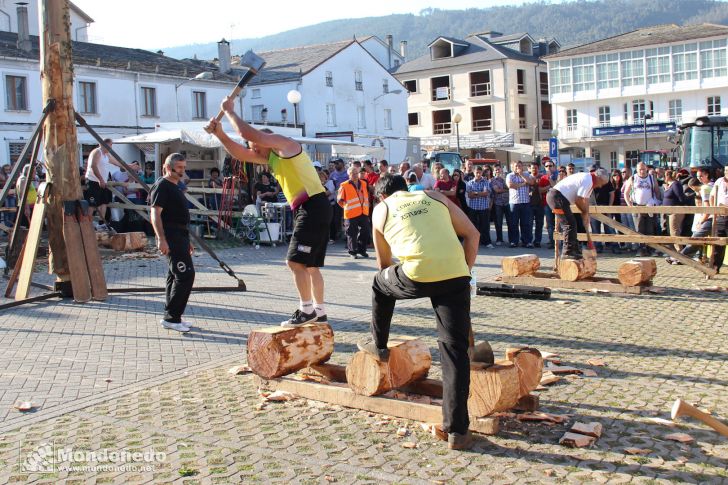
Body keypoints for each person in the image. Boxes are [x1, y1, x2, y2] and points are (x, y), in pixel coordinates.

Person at [357, 174, 480, 450]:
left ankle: (378, 345)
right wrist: (464, 274)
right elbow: (473, 234)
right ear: (406, 188)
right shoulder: (435, 195)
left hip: (415, 275)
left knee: (379, 283)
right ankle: (458, 431)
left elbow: (383, 264)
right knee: (454, 352)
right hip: (455, 273)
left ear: (381, 196)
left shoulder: (382, 209)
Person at [208, 97, 332, 326]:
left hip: (313, 206)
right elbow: (241, 154)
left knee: (294, 262)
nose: (252, 149)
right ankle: (320, 312)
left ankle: (306, 311)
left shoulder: (285, 145)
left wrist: (230, 111)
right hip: (313, 206)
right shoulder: (271, 157)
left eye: (256, 145)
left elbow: (249, 135)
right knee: (311, 266)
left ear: (266, 140)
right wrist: (220, 134)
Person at [150, 153, 196, 333]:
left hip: (181, 236)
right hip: (171, 236)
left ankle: (172, 315)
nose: (182, 171)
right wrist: (161, 239)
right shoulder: (162, 185)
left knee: (174, 275)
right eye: (179, 168)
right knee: (185, 275)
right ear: (169, 168)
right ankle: (172, 317)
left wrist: (188, 240)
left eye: (184, 167)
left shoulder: (176, 186)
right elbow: (155, 214)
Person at [547, 168, 610, 260]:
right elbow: (578, 199)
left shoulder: (590, 180)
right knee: (569, 224)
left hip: (558, 198)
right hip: (556, 197)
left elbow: (586, 200)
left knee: (572, 224)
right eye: (601, 183)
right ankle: (567, 252)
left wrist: (586, 214)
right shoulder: (588, 180)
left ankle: (574, 249)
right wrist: (583, 211)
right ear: (598, 177)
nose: (600, 186)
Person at [84, 139, 139, 227]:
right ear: (102, 144)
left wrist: (129, 165)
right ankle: (87, 224)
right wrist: (100, 179)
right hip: (93, 181)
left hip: (103, 181)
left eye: (111, 146)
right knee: (92, 204)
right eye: (109, 146)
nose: (110, 148)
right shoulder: (97, 152)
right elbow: (93, 166)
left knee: (104, 202)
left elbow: (118, 163)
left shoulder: (107, 155)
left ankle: (102, 223)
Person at [623, 162, 661, 256]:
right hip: (638, 206)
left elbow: (657, 191)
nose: (642, 171)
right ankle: (641, 249)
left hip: (650, 207)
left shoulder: (651, 178)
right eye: (640, 169)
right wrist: (630, 205)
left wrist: (658, 202)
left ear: (646, 169)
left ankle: (650, 248)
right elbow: (626, 193)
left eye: (643, 169)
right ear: (637, 169)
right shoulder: (633, 178)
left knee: (650, 229)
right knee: (639, 229)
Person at [338, 166, 370, 259]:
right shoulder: (344, 185)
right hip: (351, 213)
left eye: (356, 173)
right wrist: (347, 208)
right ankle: (352, 251)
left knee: (366, 231)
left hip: (363, 211)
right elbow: (340, 200)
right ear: (349, 175)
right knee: (352, 233)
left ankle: (361, 250)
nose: (355, 175)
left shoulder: (363, 183)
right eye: (353, 173)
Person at [506, 161, 533, 248]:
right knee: (513, 223)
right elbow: (510, 185)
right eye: (516, 166)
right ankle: (514, 241)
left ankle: (527, 241)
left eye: (519, 166)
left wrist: (521, 175)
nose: (518, 167)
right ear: (513, 167)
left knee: (526, 223)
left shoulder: (526, 174)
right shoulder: (510, 175)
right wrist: (523, 184)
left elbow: (531, 182)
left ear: (522, 167)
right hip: (514, 203)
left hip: (525, 202)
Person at [589, 164, 615, 253]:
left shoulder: (606, 180)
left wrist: (610, 207)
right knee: (595, 229)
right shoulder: (589, 181)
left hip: (605, 206)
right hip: (594, 208)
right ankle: (598, 247)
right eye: (591, 171)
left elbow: (612, 194)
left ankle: (614, 246)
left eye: (593, 171)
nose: (592, 173)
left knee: (610, 228)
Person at [465, 165, 493, 247]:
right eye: (476, 172)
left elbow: (486, 193)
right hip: (473, 208)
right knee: (473, 225)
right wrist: (480, 193)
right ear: (474, 173)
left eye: (479, 173)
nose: (478, 174)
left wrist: (475, 193)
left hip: (483, 207)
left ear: (481, 173)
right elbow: (470, 195)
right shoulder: (469, 183)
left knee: (485, 225)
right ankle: (474, 242)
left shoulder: (486, 182)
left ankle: (487, 242)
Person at [662, 170, 687, 251]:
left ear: (668, 176)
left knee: (675, 232)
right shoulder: (670, 185)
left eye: (665, 176)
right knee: (671, 232)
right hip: (670, 212)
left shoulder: (675, 184)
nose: (664, 178)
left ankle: (680, 253)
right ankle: (675, 252)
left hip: (676, 211)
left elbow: (680, 197)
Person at [328, 159, 348, 241]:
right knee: (336, 218)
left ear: (342, 164)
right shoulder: (332, 175)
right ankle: (337, 233)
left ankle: (346, 235)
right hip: (336, 199)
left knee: (346, 217)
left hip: (346, 199)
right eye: (335, 164)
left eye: (337, 163)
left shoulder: (347, 174)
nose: (335, 165)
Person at [490, 165, 510, 246]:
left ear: (501, 170)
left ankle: (511, 239)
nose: (498, 171)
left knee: (510, 222)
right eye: (496, 170)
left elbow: (510, 187)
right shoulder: (493, 180)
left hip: (507, 202)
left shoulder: (505, 179)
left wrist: (506, 188)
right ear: (494, 171)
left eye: (499, 169)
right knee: (498, 222)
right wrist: (507, 189)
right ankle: (499, 239)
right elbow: (497, 190)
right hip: (498, 203)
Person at [543, 159, 559, 248]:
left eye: (550, 166)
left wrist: (549, 179)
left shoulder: (558, 176)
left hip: (558, 204)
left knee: (559, 224)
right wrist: (548, 186)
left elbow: (556, 186)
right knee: (550, 224)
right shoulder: (543, 177)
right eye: (546, 166)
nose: (548, 168)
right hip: (547, 204)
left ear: (554, 167)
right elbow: (540, 190)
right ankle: (551, 241)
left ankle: (560, 241)